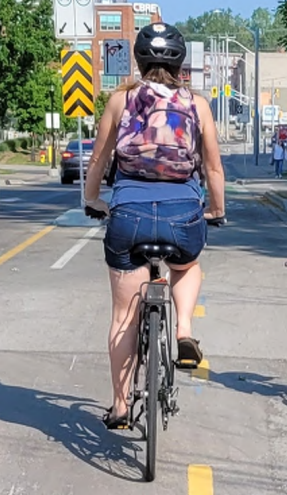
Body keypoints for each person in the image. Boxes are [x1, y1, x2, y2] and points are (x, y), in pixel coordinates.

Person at [81, 22, 227, 429]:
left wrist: (93, 201)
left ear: (139, 60)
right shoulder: (197, 105)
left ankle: (122, 406)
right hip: (183, 213)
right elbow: (213, 166)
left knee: (124, 316)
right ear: (180, 63)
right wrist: (216, 209)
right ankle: (183, 328)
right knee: (187, 264)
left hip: (128, 214)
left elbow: (98, 160)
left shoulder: (120, 100)